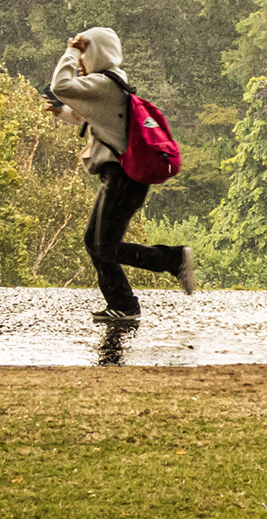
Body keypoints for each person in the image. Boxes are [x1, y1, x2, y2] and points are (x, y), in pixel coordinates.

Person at [46, 26, 195, 323]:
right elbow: (95, 118)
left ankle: (172, 259)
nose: (81, 63)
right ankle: (122, 304)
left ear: (94, 53)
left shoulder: (103, 84)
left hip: (124, 178)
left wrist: (71, 51)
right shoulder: (112, 83)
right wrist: (61, 114)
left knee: (106, 245)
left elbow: (60, 85)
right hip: (121, 176)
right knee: (95, 241)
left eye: (85, 54)